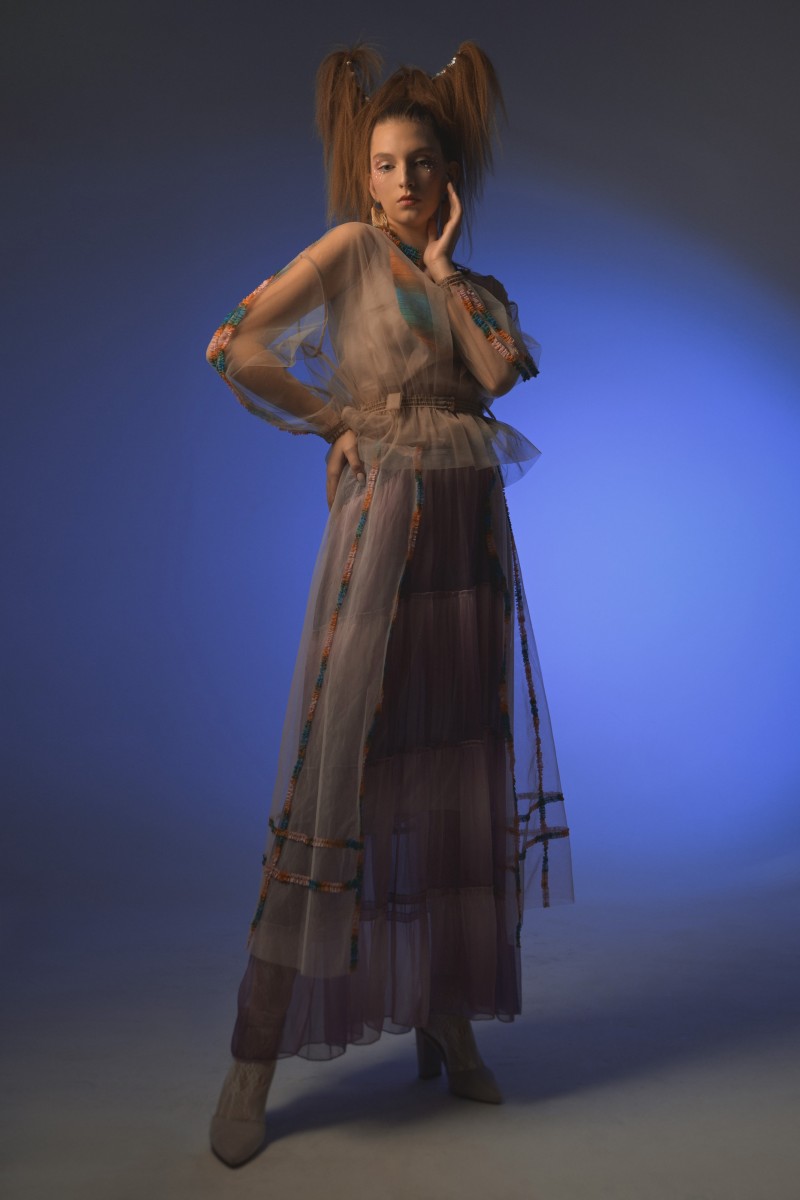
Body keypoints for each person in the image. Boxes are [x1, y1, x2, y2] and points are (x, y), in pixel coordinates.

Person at [204, 41, 573, 1168]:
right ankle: (252, 1061)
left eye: (422, 162)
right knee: (342, 772)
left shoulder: (472, 290)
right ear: (362, 177)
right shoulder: (350, 251)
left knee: (452, 772)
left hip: (469, 545)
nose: (403, 181)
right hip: (383, 538)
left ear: (449, 173)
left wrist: (449, 267)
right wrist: (335, 422)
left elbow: (497, 373)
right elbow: (237, 344)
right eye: (384, 163)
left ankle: (445, 1017)